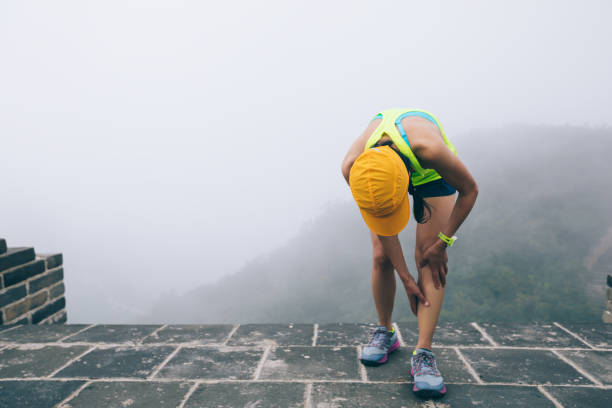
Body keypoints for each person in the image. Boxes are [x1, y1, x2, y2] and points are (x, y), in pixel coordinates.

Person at [340, 108, 478, 398]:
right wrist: (405, 278)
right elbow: (385, 228)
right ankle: (385, 331)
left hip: (427, 172)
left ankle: (424, 353)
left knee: (428, 258)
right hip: (381, 173)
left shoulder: (430, 150)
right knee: (380, 256)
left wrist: (443, 242)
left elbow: (470, 190)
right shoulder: (354, 167)